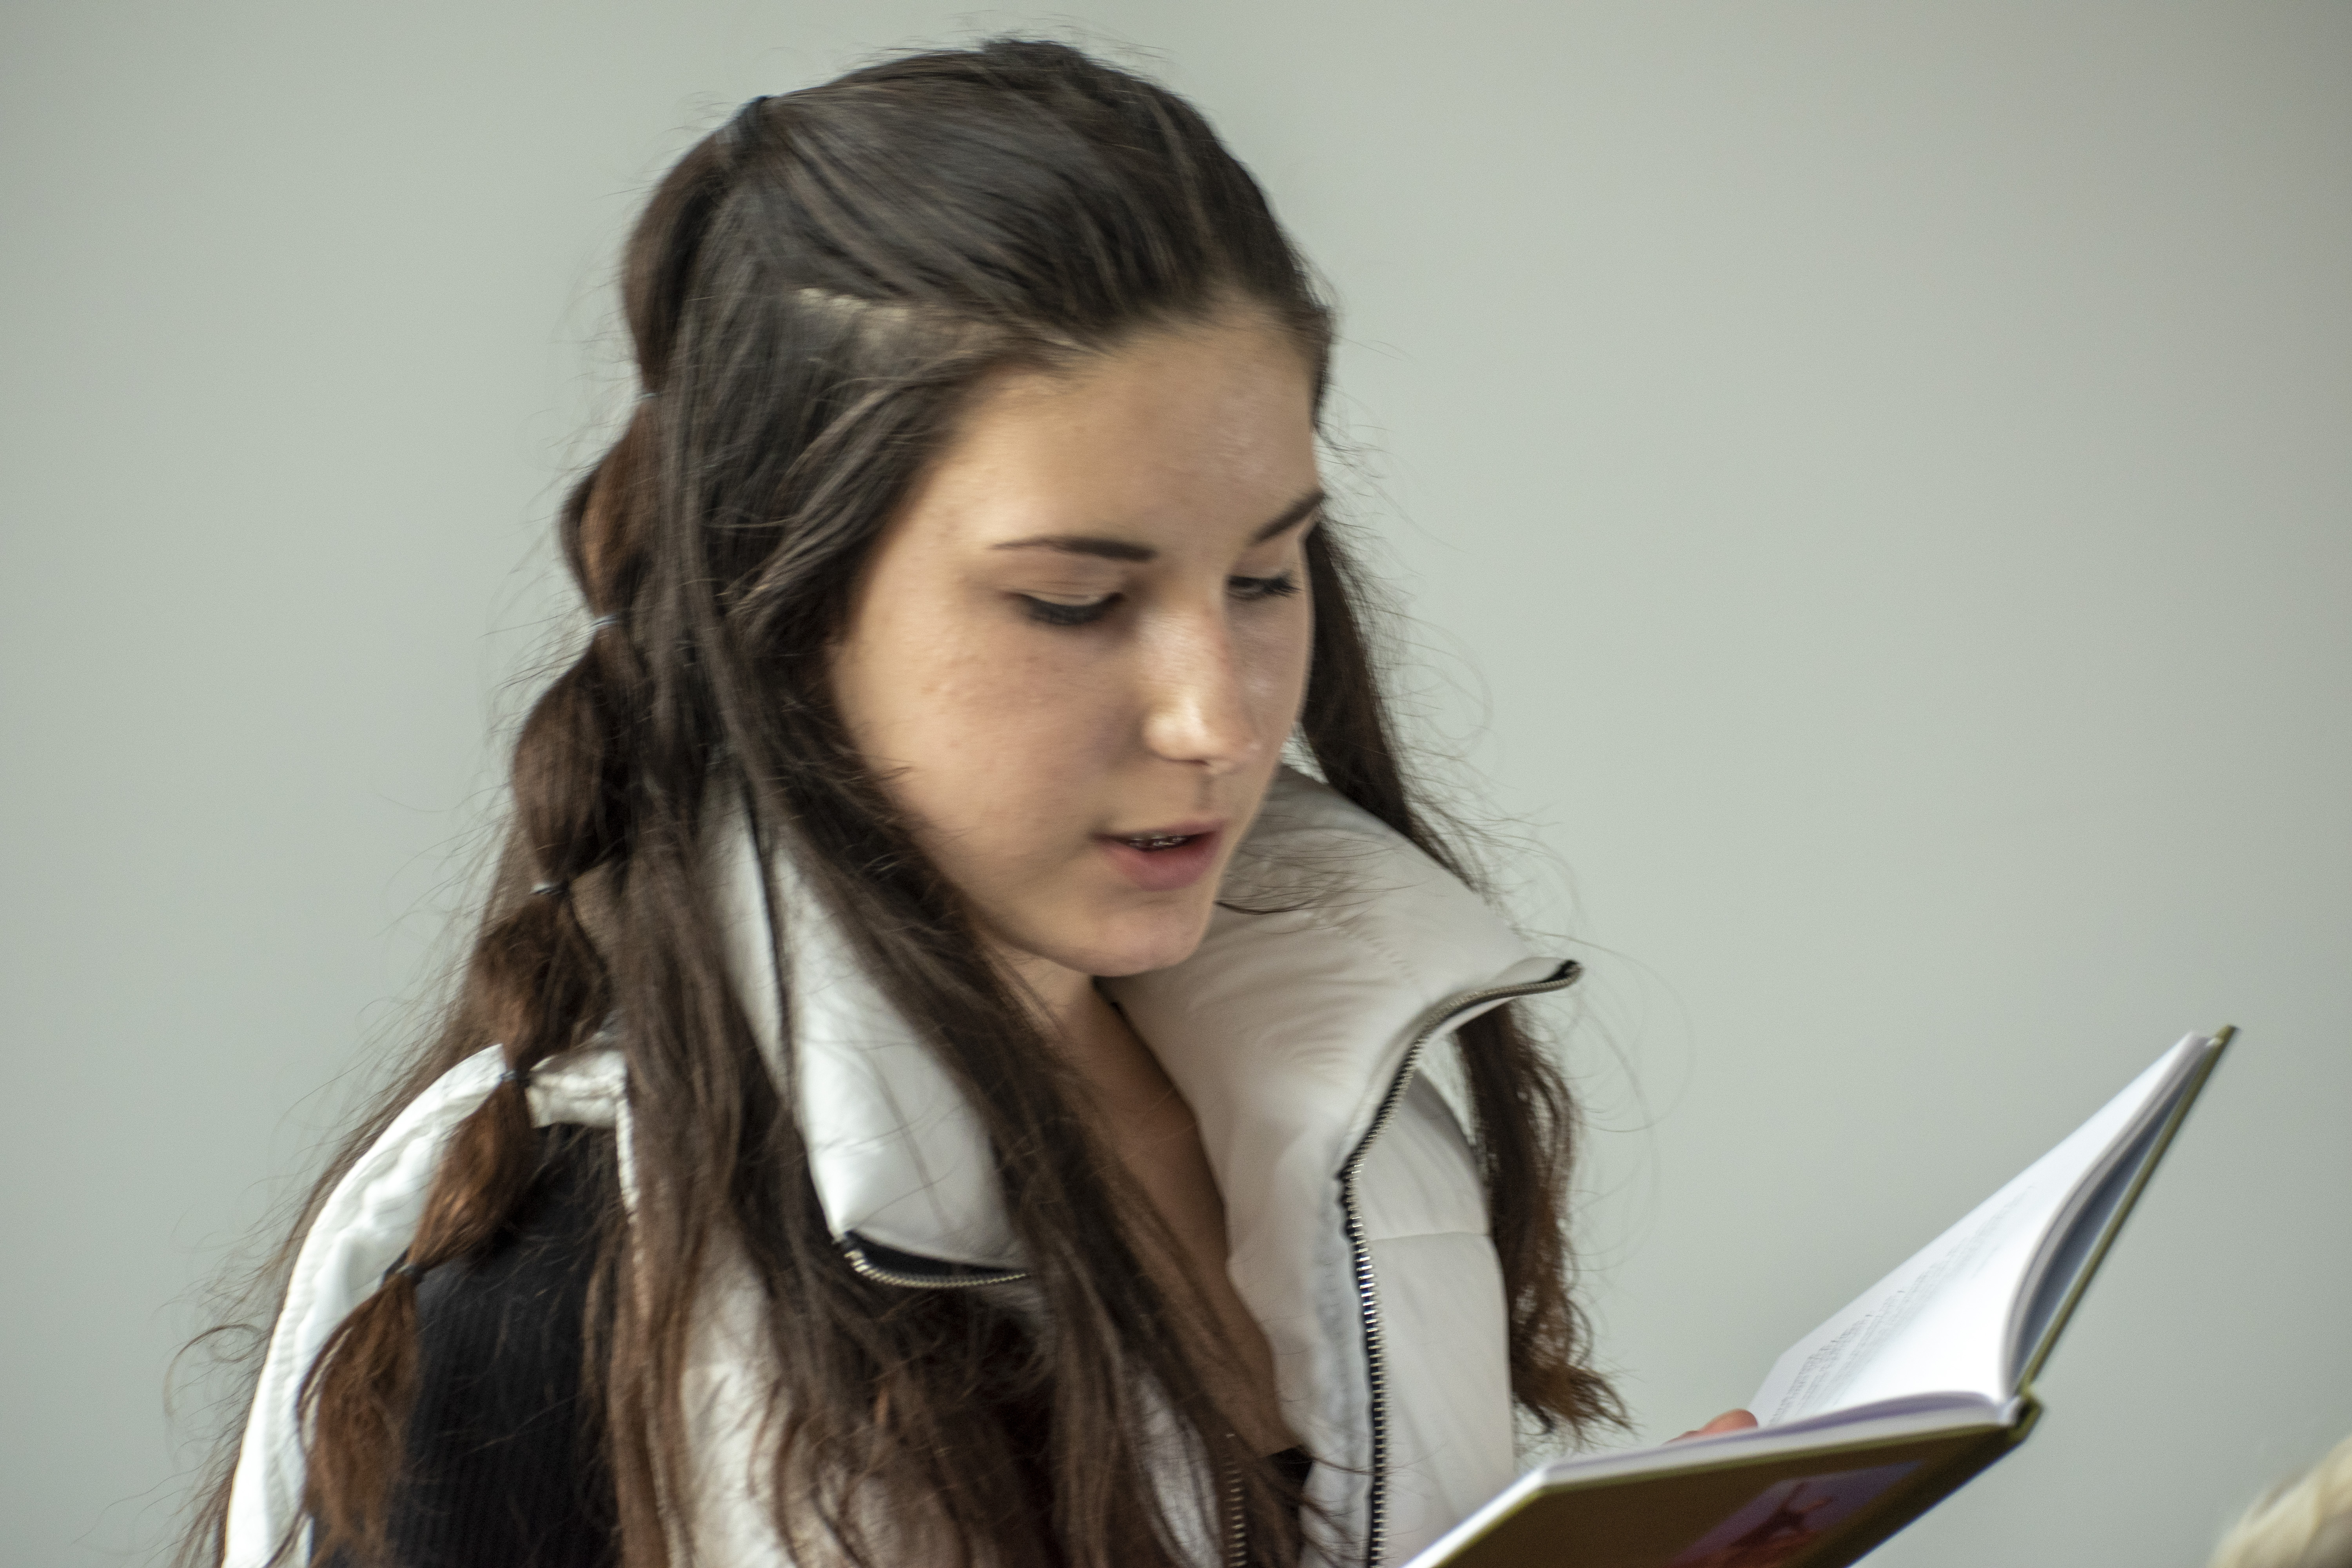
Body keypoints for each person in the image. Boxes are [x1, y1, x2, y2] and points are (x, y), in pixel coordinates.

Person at [182, 39, 1637, 1568]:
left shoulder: (1352, 1104)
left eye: (1265, 576)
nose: (1219, 716)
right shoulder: (556, 1259)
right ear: (781, 607)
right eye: (1076, 600)